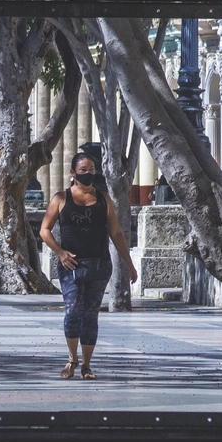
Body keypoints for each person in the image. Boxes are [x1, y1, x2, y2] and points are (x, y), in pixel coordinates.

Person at [39, 150, 138, 380]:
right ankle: (71, 359)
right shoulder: (61, 198)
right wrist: (60, 252)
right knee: (73, 310)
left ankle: (86, 365)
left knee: (91, 314)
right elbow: (44, 230)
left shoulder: (104, 199)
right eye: (83, 170)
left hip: (99, 265)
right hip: (70, 265)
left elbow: (115, 232)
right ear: (73, 173)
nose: (87, 174)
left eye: (91, 170)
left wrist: (129, 263)